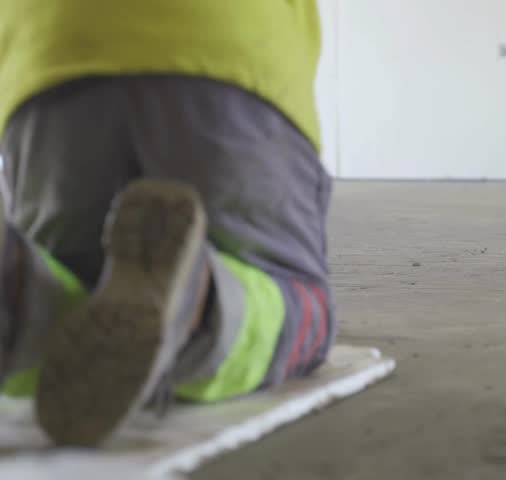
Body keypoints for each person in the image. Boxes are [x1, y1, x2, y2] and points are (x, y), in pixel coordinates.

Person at [0, 0, 335, 446]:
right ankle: (196, 308)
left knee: (70, 275)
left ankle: (22, 299)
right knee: (299, 301)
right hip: (228, 42)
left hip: (45, 54)